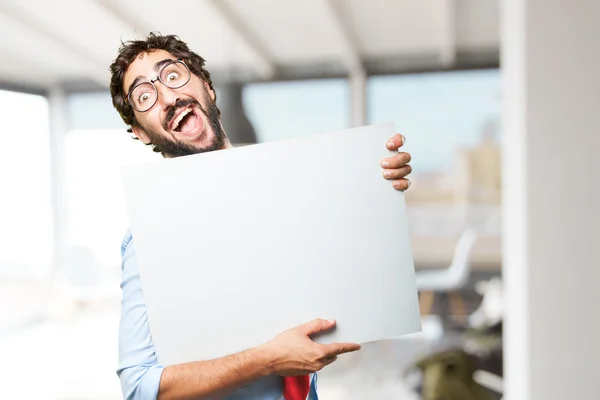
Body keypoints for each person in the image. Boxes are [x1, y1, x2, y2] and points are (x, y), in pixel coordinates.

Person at [109, 33, 413, 400]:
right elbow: (139, 388)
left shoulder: (288, 195)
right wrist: (268, 360)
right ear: (141, 133)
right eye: (145, 97)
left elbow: (345, 263)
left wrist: (378, 183)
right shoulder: (148, 239)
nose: (169, 97)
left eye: (173, 76)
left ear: (207, 86)